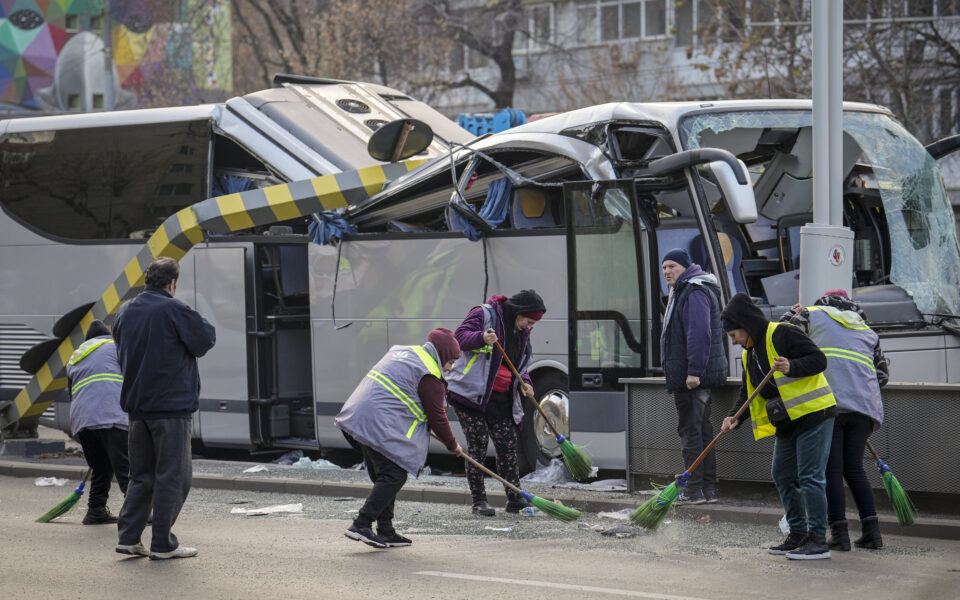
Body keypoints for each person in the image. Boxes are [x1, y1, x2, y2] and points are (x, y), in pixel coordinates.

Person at [112, 257, 216, 560]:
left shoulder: (125, 311)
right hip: (170, 408)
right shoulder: (174, 308)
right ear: (172, 283)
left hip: (137, 408)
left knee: (141, 475)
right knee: (173, 476)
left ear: (147, 280)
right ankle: (162, 543)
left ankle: (129, 537)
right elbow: (205, 339)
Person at [719, 292, 836, 560]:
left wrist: (791, 366)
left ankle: (818, 539)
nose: (734, 341)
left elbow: (819, 360)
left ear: (746, 326)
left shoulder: (782, 333)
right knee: (782, 474)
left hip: (814, 413)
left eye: (734, 334)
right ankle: (797, 533)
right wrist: (734, 417)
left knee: (809, 477)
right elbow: (748, 393)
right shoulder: (749, 354)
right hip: (787, 420)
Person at [781, 289, 889, 551]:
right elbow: (882, 376)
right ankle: (872, 533)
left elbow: (781, 335)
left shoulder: (811, 315)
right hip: (864, 408)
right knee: (854, 470)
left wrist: (790, 313)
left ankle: (840, 536)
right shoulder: (866, 330)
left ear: (824, 302)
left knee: (830, 471)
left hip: (831, 404)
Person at [336, 328, 464, 548]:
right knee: (394, 476)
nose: (450, 368)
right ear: (442, 354)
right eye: (450, 362)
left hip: (358, 417)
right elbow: (438, 418)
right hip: (376, 423)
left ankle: (385, 530)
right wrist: (453, 445)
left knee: (386, 475)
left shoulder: (406, 353)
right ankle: (362, 524)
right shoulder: (430, 374)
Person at [445, 290, 546, 517]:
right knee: (478, 445)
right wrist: (481, 338)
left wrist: (525, 383)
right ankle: (479, 501)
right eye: (528, 321)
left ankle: (514, 498)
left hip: (499, 398)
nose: (529, 327)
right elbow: (458, 338)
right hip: (470, 396)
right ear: (518, 312)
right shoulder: (484, 314)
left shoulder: (521, 332)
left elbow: (519, 366)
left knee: (507, 445)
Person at [660, 248, 728, 505]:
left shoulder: (694, 290)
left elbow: (699, 333)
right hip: (694, 375)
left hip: (692, 378)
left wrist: (693, 372)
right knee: (701, 431)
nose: (667, 271)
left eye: (672, 266)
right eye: (664, 267)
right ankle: (707, 490)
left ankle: (693, 490)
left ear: (686, 267)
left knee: (691, 432)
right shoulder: (690, 288)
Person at [65, 320, 129, 525]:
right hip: (111, 414)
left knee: (100, 466)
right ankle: (139, 512)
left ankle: (95, 510)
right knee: (127, 466)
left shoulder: (74, 357)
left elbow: (71, 393)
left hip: (82, 420)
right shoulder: (115, 346)